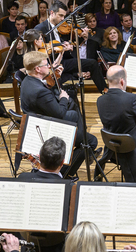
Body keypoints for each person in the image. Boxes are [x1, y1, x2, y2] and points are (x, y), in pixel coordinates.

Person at [20, 49, 100, 179]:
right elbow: (60, 114)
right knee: (90, 141)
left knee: (74, 113)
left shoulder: (27, 81)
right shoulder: (40, 92)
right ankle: (63, 174)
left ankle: (78, 136)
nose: (49, 67)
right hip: (46, 127)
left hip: (37, 122)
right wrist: (64, 98)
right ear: (38, 69)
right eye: (46, 65)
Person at [33, 2, 107, 92]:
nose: (62, 19)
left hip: (63, 60)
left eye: (64, 16)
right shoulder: (40, 28)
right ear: (52, 13)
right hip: (52, 63)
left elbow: (61, 43)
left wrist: (68, 45)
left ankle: (105, 92)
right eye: (60, 15)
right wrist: (56, 49)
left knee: (92, 63)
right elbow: (37, 50)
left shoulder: (58, 27)